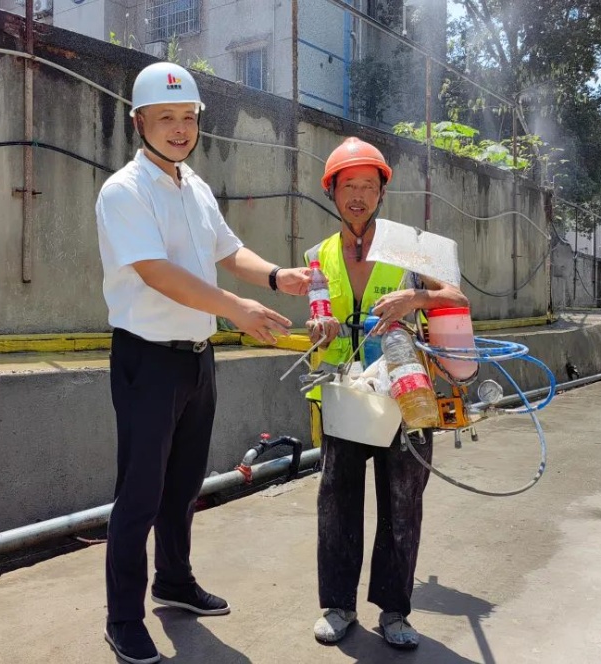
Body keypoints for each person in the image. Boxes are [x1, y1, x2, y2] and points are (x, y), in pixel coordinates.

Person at [95, 61, 311, 664]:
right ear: (138, 121)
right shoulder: (125, 191)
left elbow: (228, 250)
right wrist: (236, 308)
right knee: (140, 493)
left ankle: (174, 581)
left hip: (196, 357)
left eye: (188, 117)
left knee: (184, 484)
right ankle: (122, 618)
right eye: (165, 117)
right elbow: (157, 273)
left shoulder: (193, 185)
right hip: (146, 358)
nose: (179, 128)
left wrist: (277, 277)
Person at [304, 137, 469, 650]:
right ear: (331, 191)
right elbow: (314, 315)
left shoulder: (409, 248)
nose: (358, 196)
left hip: (405, 393)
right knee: (336, 500)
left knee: (403, 503)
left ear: (381, 193)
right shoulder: (317, 256)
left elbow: (456, 296)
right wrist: (319, 330)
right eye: (348, 186)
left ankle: (395, 610)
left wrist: (415, 296)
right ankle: (338, 605)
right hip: (345, 396)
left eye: (368, 187)